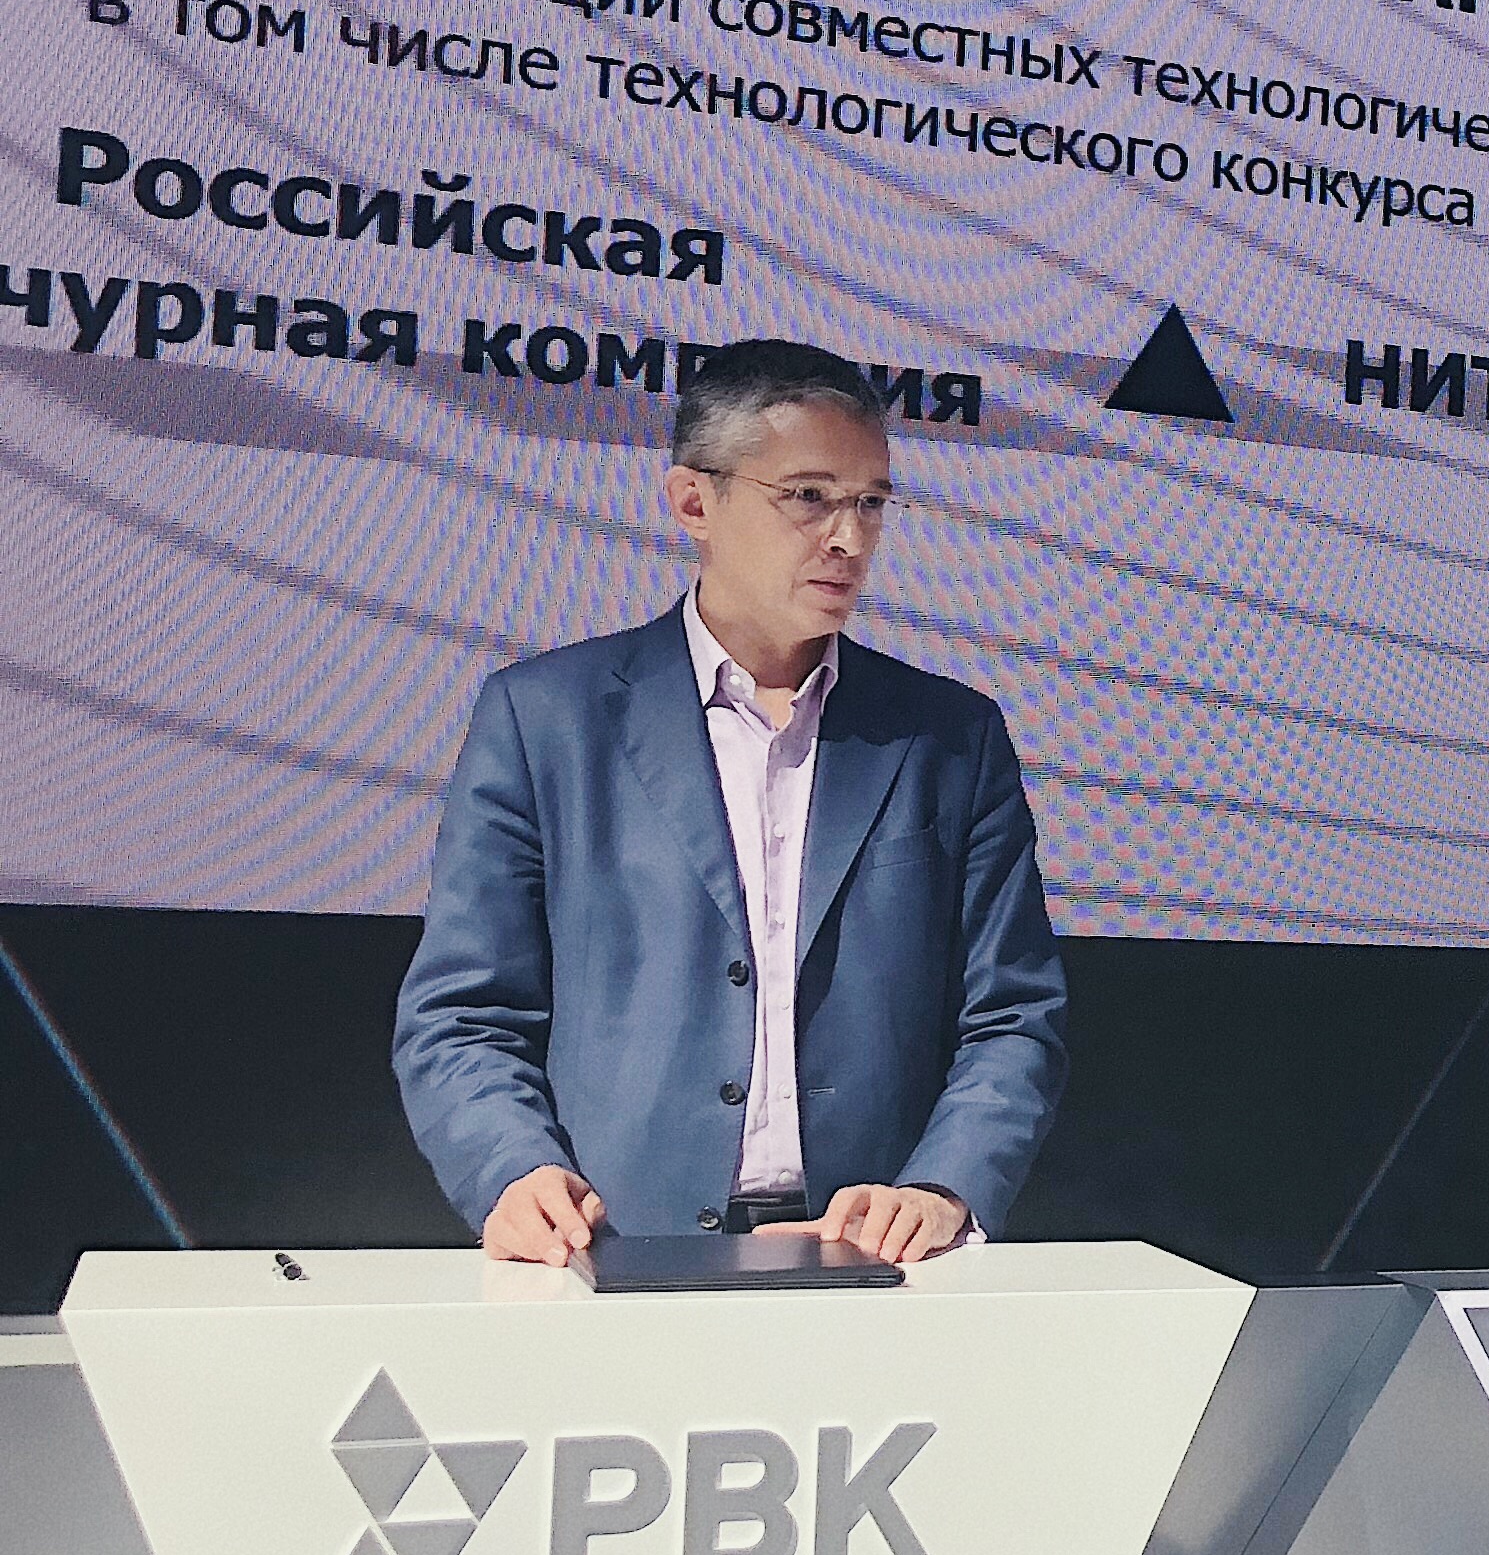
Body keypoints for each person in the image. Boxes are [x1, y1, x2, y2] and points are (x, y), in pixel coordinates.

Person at [392, 341, 1065, 1265]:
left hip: (872, 1262)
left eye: (872, 502)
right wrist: (512, 1171)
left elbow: (1014, 1014)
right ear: (693, 503)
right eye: (809, 496)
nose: (849, 538)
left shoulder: (949, 736)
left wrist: (943, 1187)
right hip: (616, 1248)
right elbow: (463, 1013)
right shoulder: (548, 719)